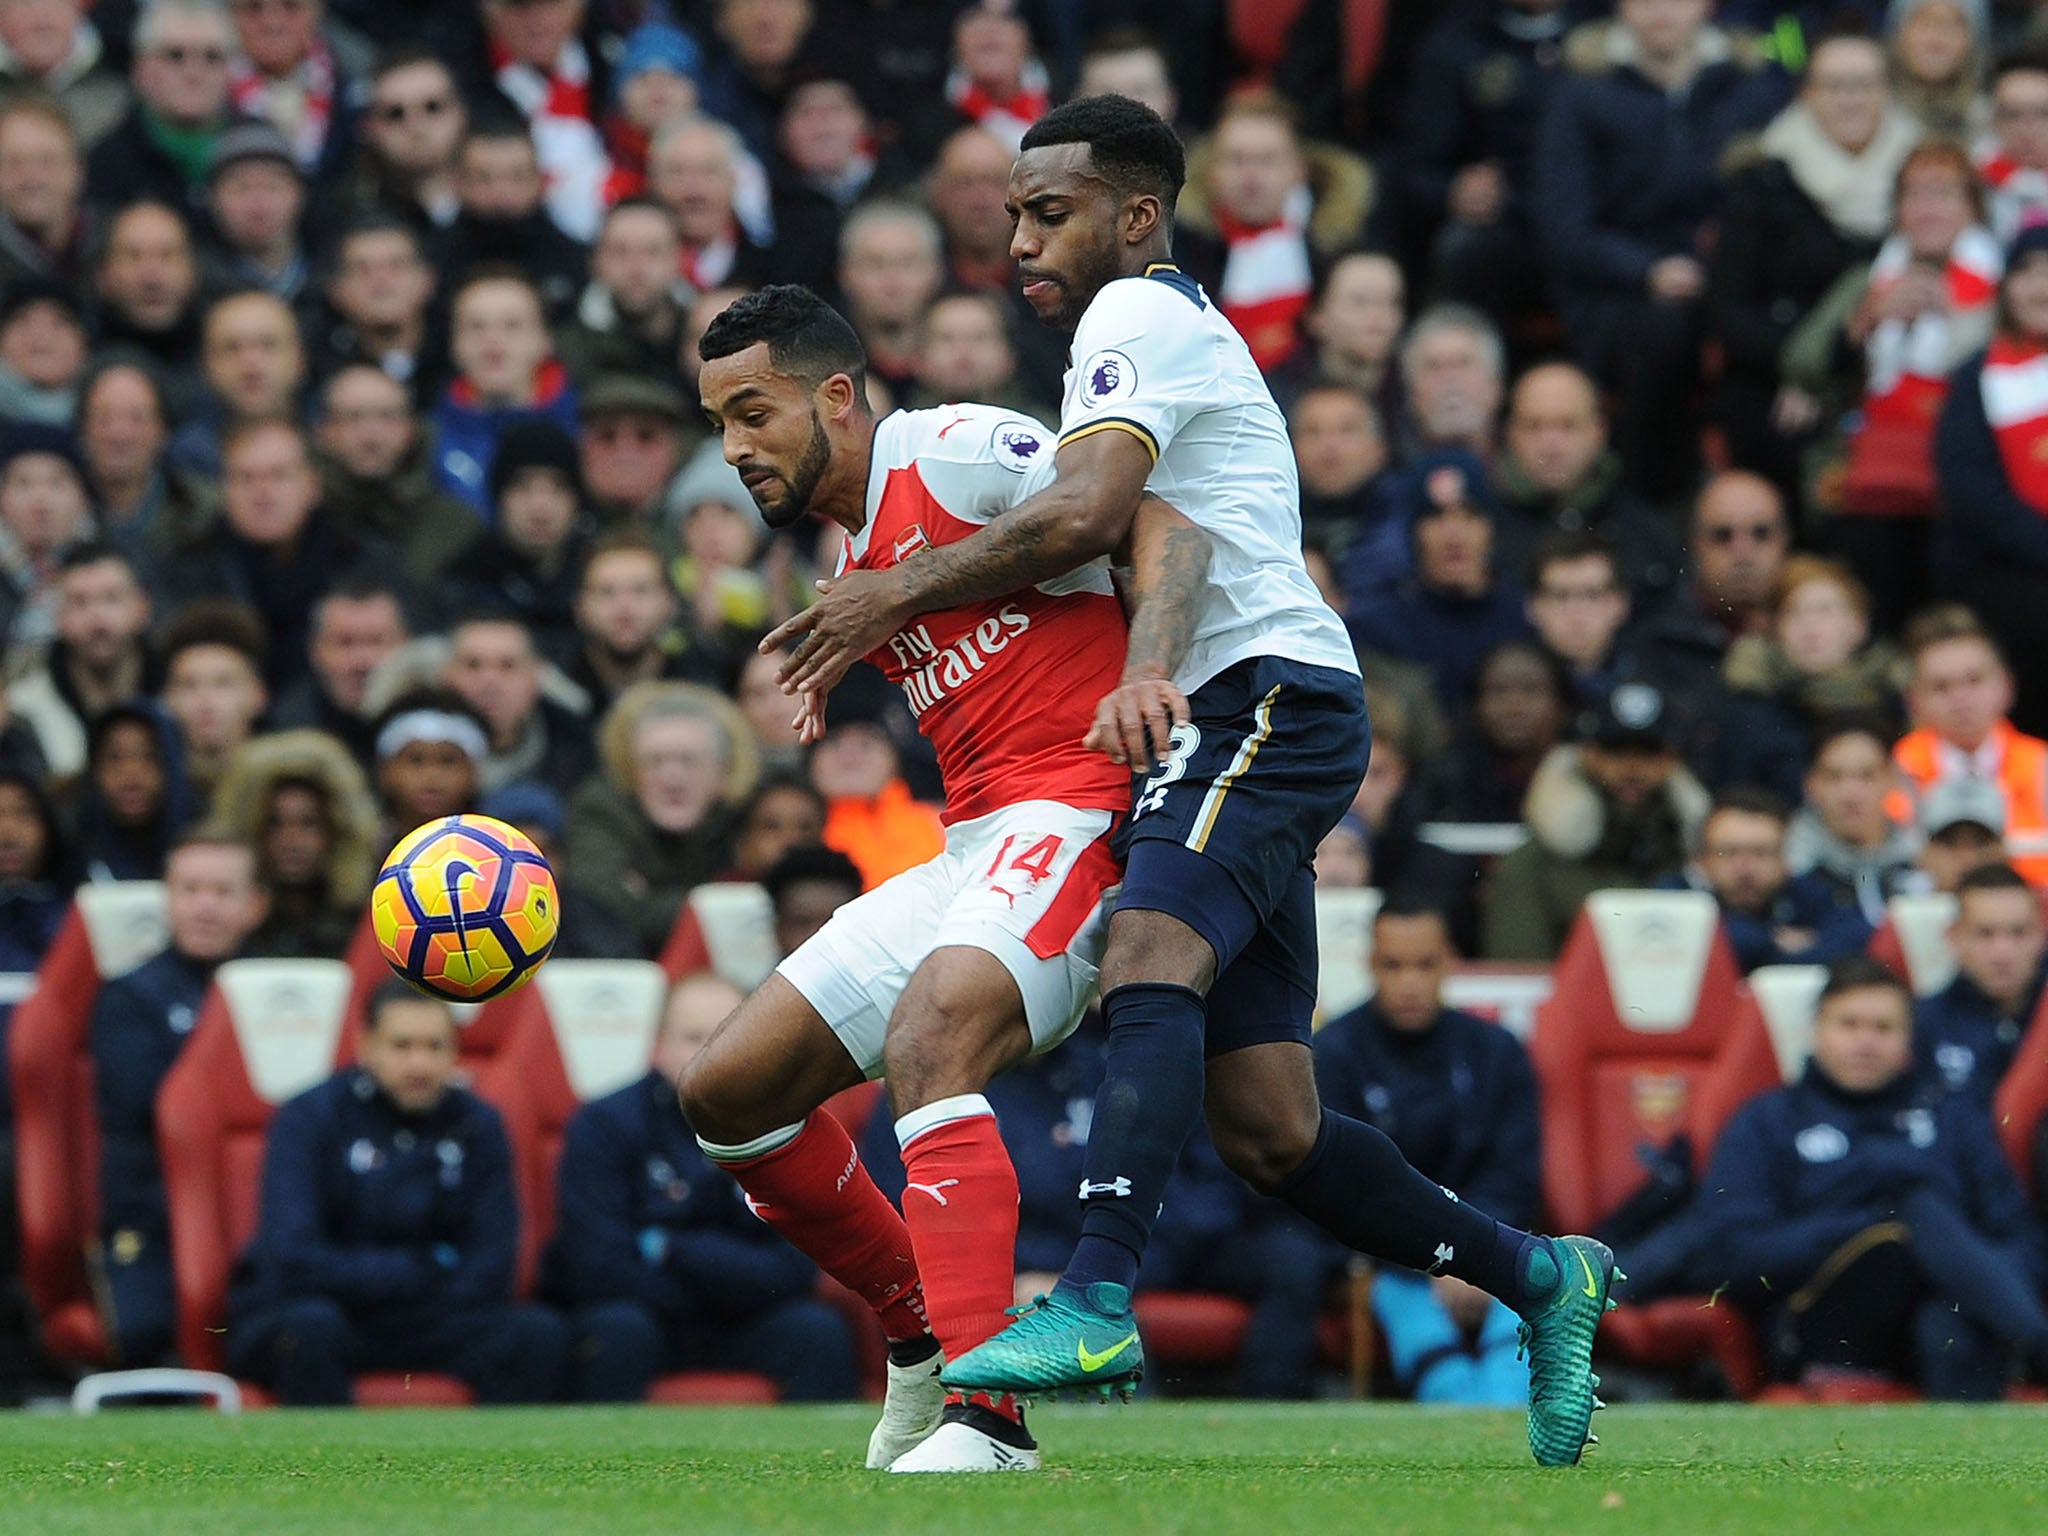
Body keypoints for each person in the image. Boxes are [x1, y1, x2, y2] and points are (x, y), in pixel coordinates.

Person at [763, 98, 1612, 1467]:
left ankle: (1096, 1293)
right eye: (1015, 215)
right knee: (1272, 1127)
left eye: (1051, 212)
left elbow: (1100, 514)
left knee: (1145, 951)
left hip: (1262, 693)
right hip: (1258, 703)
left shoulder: (1135, 320)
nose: (1022, 240)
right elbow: (1140, 532)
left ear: (1136, 214)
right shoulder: (1149, 329)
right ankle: (1539, 1276)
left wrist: (887, 597)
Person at [674, 283, 1174, 1472]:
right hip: (976, 840)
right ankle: (918, 1336)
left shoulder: (949, 450)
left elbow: (1131, 518)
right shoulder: (843, 550)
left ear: (836, 398)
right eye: (719, 427)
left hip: (1085, 810)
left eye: (754, 414)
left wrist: (1149, 671)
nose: (737, 450)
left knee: (933, 1028)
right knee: (727, 1094)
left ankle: (989, 1420)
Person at [1698, 957, 2048, 1399]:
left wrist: (1960, 1267)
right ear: (1815, 1030)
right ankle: (2036, 1344)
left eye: (1883, 1028)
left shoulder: (1953, 1118)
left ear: (1908, 1039)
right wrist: (1874, 1225)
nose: (1865, 1042)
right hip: (1819, 1323)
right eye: (1849, 1025)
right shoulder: (1767, 1122)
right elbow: (1730, 1256)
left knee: (1944, 1322)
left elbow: (2026, 1244)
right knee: (1914, 1213)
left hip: (1947, 1318)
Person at [225, 981, 570, 1405]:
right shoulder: (309, 1118)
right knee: (311, 1327)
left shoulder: (479, 1125)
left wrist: (403, 1284)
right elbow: (293, 1259)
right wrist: (419, 1269)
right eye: (402, 1046)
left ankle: (497, 1470)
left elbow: (494, 1263)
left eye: (435, 1046)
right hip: (330, 1314)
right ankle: (321, 1471)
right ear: (367, 1046)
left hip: (432, 1318)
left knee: (537, 1334)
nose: (419, 1064)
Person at [554, 972, 858, 1403]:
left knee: (817, 1331)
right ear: (658, 1046)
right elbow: (597, 1266)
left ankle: (831, 1470)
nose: (710, 1053)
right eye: (693, 1037)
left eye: (726, 1035)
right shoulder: (602, 1124)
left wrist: (672, 1249)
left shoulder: (784, 1126)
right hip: (647, 1319)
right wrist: (720, 1278)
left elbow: (795, 1268)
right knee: (615, 1331)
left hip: (748, 1319)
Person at [1533, 0, 1782, 501]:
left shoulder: (1753, 84)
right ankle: (1650, 506)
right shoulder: (1582, 91)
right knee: (1662, 335)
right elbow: (1562, 226)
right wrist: (1646, 269)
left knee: (1768, 340)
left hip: (1732, 276)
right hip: (1618, 292)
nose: (1660, 10)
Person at [1316, 902, 1542, 1404]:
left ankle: (1510, 1436)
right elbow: (1346, 1191)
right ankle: (1471, 1438)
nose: (1410, 982)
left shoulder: (1498, 1051)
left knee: (1519, 1323)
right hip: (1386, 1266)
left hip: (1492, 1251)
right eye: (1393, 966)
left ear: (1450, 963)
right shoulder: (1333, 1055)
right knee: (1427, 1340)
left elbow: (1514, 1176)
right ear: (1370, 965)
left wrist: (1479, 1258)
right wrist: (1441, 1264)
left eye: (1425, 964)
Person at [1784, 141, 1996, 633]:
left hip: (1963, 471)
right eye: (1914, 195)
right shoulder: (1870, 278)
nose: (1928, 209)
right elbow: (1801, 362)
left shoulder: (2007, 283)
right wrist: (1867, 320)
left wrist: (1959, 317)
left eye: (1943, 193)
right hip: (1872, 469)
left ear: (1972, 207)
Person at [1709, 27, 1915, 499]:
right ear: (1808, 94)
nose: (1851, 101)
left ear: (1888, 90)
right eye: (1835, 86)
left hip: (1894, 362)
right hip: (1777, 369)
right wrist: (1801, 369)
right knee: (1770, 424)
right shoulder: (1762, 177)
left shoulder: (1923, 172)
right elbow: (1728, 308)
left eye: (1864, 85)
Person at [93, 834, 267, 1364]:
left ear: (255, 905)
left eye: (222, 890)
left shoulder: (275, 992)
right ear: (167, 900)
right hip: (155, 1222)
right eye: (190, 889)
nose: (205, 905)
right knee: (149, 1341)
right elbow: (153, 1106)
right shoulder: (129, 996)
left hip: (263, 1217)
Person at [1485, 683, 1711, 961]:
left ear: (1671, 761)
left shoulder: (1696, 852)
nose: (1632, 767)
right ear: (1588, 755)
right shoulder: (1533, 863)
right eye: (1615, 751)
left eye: (1649, 753)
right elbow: (1519, 973)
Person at [155, 417, 380, 693]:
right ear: (224, 490)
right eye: (245, 478)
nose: (263, 493)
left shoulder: (365, 565)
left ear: (312, 485)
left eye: (279, 475)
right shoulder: (184, 573)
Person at [1932, 224, 2048, 736]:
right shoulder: (1976, 375)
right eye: (2026, 272)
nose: (2041, 287)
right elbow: (1970, 491)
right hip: (2008, 568)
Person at [1394, 0, 1571, 333]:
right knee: (1464, 248)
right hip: (1510, 221)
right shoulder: (1456, 41)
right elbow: (1416, 167)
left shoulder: (1611, 27)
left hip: (1608, 223)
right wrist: (1452, 189)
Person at [1171, 92, 1370, 371]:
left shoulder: (1340, 251)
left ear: (1299, 169)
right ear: (1211, 171)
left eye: (1268, 160)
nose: (1251, 176)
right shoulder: (1176, 252)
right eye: (1236, 160)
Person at [566, 680, 753, 958]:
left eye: (689, 761)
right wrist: (714, 903)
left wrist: (648, 898)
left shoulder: (755, 816)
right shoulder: (598, 812)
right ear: (631, 773)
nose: (671, 779)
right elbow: (604, 915)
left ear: (723, 774)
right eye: (654, 761)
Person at [1345, 449, 1531, 712]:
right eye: (1435, 517)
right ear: (1413, 532)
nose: (1453, 537)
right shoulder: (1375, 631)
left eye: (1469, 515)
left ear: (1491, 529)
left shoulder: (1526, 620)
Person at [1491, 362, 1681, 614]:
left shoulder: (1647, 534)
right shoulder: (1482, 531)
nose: (1550, 445)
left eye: (1568, 425)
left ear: (1599, 431)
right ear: (1510, 433)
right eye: (1534, 426)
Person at [1716, 555, 1908, 803]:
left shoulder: (1895, 705)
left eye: (1825, 610)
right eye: (1793, 613)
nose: (1809, 626)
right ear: (1776, 630)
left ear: (1859, 626)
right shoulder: (1750, 710)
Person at [1889, 604, 2048, 885]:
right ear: (1912, 701)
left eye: (1974, 680)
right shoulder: (1893, 773)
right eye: (1941, 686)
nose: (1961, 699)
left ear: (2007, 687)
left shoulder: (2042, 765)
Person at [204, 727, 376, 959]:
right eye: (275, 823)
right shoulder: (234, 927)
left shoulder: (363, 926)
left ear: (336, 831)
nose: (291, 840)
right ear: (254, 830)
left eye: (308, 823)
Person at [1669, 788, 1875, 972]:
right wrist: (1773, 940)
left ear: (1785, 859)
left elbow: (1858, 937)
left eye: (1762, 852)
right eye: (1729, 853)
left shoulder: (1802, 890)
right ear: (1702, 860)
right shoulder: (1675, 894)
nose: (1745, 869)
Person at [314, 364, 478, 594]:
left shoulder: (455, 526)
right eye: (353, 417)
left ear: (410, 429)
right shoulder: (301, 522)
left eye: (387, 417)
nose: (371, 435)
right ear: (325, 431)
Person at [431, 267, 579, 520]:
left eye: (512, 326)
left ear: (545, 339)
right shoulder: (426, 439)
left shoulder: (586, 431)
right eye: (476, 327)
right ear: (454, 343)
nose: (493, 340)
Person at [7, 541, 155, 780]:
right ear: (58, 616)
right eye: (80, 602)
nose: (97, 619)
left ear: (141, 607)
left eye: (111, 598)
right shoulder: (25, 708)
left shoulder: (177, 696)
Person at [86, 0, 236, 216]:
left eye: (212, 56)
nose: (194, 73)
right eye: (175, 55)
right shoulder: (106, 165)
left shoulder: (259, 149)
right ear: (141, 69)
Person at [460, 421, 588, 670]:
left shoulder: (598, 581)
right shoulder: (462, 586)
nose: (540, 507)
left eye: (558, 487)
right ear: (500, 498)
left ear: (577, 501)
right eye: (522, 486)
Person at [1916, 863, 2045, 1105]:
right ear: (1954, 936)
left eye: (2018, 933)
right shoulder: (1922, 1025)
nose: (2002, 953)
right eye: (1984, 933)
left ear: (2041, 936)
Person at [568, 529, 728, 709]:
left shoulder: (702, 687)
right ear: (580, 608)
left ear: (670, 603)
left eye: (641, 590)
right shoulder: (557, 689)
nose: (624, 608)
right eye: (607, 592)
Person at [443, 611, 593, 798]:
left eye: (508, 665)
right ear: (446, 675)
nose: (490, 682)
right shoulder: (408, 751)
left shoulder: (579, 756)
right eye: (473, 665)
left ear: (536, 675)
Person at [1786, 718, 1920, 928]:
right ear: (1810, 784)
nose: (1851, 794)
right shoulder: (1787, 869)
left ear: (1892, 779)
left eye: (1867, 776)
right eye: (1834, 777)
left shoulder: (1921, 860)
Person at [267, 578, 407, 766]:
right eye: (345, 643)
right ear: (315, 650)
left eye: (376, 641)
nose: (361, 662)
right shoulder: (288, 730)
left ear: (405, 644)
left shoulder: (435, 721)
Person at [557, 199, 689, 390]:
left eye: (653, 251)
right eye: (620, 252)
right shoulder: (566, 350)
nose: (637, 268)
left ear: (679, 259)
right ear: (596, 261)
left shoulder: (703, 334)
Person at [90, 202, 205, 418]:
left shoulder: (223, 353)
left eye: (167, 256)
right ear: (102, 275)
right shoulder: (77, 355)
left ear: (193, 272)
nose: (151, 277)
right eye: (133, 256)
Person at [312, 216, 442, 407]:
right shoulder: (318, 372)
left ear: (427, 281)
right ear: (336, 290)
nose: (381, 282)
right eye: (362, 270)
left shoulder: (455, 362)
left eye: (396, 266)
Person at [1261, 249, 1403, 421]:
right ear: (1316, 316)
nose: (1379, 317)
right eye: (1360, 302)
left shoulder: (1414, 389)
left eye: (1392, 302)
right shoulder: (1271, 397)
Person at [158, 599, 269, 800]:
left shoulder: (281, 789)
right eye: (189, 685)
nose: (205, 702)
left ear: (258, 695)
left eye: (223, 683)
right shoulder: (153, 795)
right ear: (167, 700)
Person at [70, 700, 192, 882]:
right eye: (114, 757)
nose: (131, 774)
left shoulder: (207, 844)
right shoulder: (69, 849)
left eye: (149, 756)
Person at [835, 200, 944, 401]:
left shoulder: (964, 374)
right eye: (875, 265)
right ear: (845, 274)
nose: (893, 281)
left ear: (936, 272)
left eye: (908, 264)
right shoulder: (825, 368)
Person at [0, 0, 127, 155]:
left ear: (79, 11)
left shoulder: (121, 90)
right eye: (25, 6)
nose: (42, 21)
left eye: (55, 5)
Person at [0, 98, 98, 296]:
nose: (31, 179)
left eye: (47, 161)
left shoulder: (117, 245)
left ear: (78, 168)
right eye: (14, 162)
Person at [368, 685, 484, 845]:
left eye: (448, 761)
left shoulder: (496, 847)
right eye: (416, 760)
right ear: (385, 771)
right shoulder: (359, 849)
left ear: (473, 772)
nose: (431, 776)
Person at [1396, 303, 1503, 462]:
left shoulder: (1531, 475)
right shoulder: (1387, 482)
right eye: (1434, 366)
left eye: (1463, 363)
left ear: (1495, 387)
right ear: (1412, 393)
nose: (1449, 378)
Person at [578, 374, 688, 527]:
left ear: (674, 448)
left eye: (645, 436)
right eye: (607, 436)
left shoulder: (694, 531)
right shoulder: (564, 534)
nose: (626, 454)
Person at [1977, 43, 2048, 242]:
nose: (2027, 129)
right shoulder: (1971, 184)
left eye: (2043, 113)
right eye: (2012, 115)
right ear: (1992, 121)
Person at [1889, 0, 1986, 141]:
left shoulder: (1993, 124)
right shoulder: (1872, 118)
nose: (1936, 41)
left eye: (1950, 26)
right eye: (1924, 24)